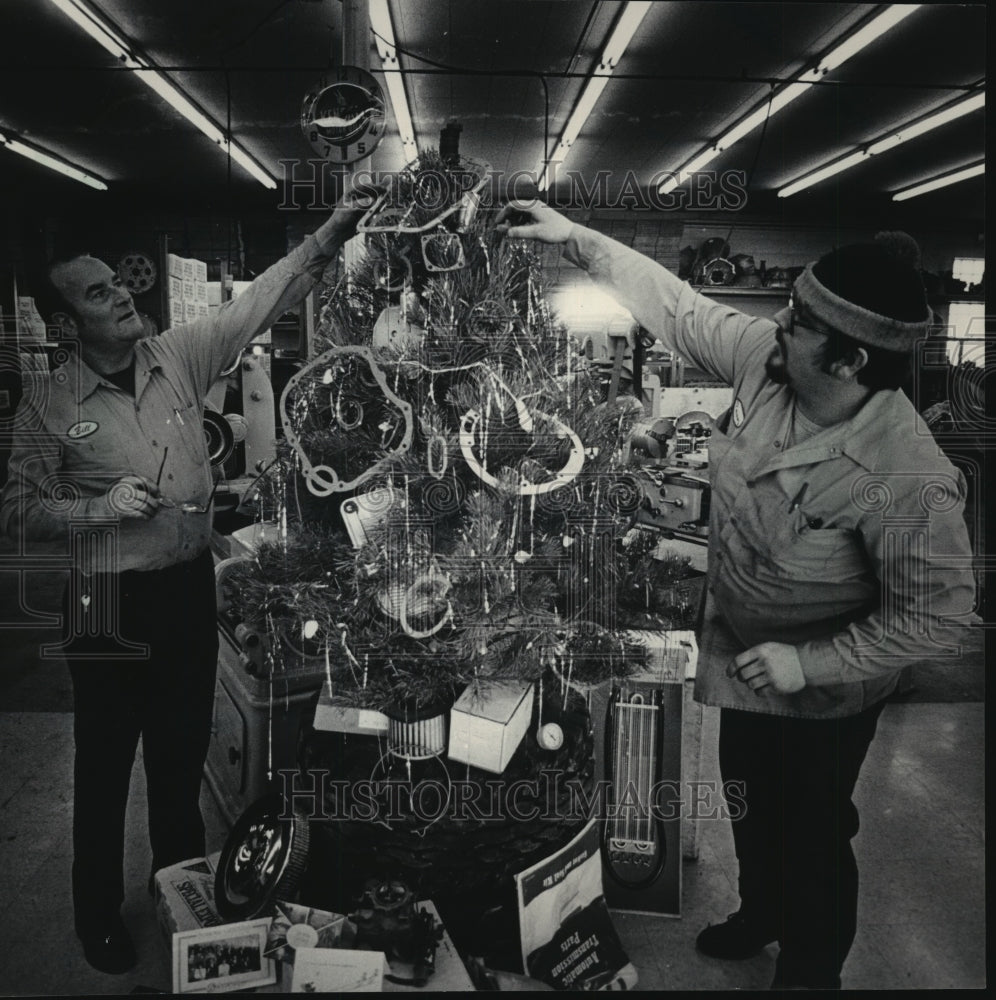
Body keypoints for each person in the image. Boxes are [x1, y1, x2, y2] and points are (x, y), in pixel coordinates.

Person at [496, 201, 977, 989]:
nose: (778, 324)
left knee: (815, 828)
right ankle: (762, 913)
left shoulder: (907, 475)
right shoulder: (772, 365)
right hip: (741, 656)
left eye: (799, 323)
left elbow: (938, 616)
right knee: (750, 801)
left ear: (851, 362)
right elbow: (682, 308)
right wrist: (576, 239)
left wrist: (811, 662)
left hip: (828, 692)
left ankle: (814, 966)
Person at [0, 183, 379, 975]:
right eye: (100, 292)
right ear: (68, 321)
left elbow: (264, 298)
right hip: (104, 601)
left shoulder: (178, 355)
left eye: (119, 281)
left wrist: (333, 231)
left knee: (178, 767)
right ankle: (96, 914)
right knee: (104, 771)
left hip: (182, 591)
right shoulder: (45, 403)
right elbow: (18, 511)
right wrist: (96, 509)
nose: (124, 297)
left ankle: (183, 901)